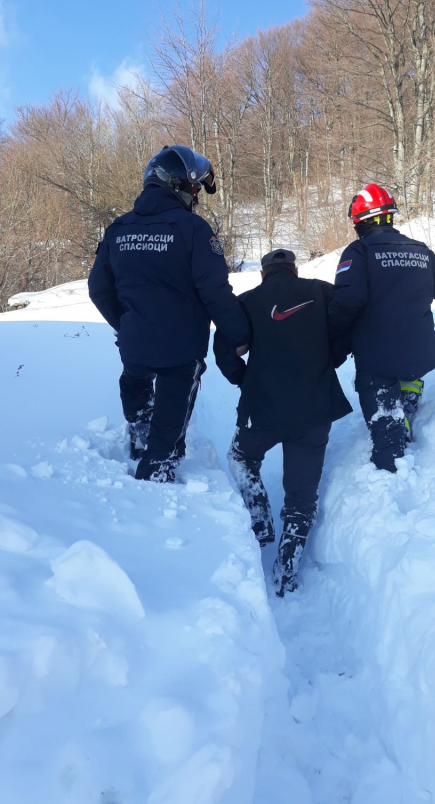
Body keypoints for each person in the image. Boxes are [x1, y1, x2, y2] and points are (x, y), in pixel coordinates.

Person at [88, 145, 249, 483]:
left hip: (135, 347)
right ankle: (152, 499)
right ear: (176, 185)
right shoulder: (193, 229)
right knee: (165, 443)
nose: (196, 198)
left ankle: (139, 440)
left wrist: (128, 324)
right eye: (194, 189)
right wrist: (240, 333)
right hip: (181, 353)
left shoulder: (118, 230)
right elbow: (216, 292)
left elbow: (99, 290)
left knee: (137, 395)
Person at [215, 249, 352, 596]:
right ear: (293, 270)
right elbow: (346, 327)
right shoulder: (322, 292)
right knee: (302, 495)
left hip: (262, 409)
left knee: (241, 457)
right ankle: (287, 568)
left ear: (263, 273)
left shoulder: (247, 302)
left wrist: (243, 378)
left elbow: (223, 350)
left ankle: (259, 516)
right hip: (315, 409)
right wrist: (328, 360)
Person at [329, 183, 435, 473]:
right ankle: (407, 391)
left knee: (388, 446)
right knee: (405, 373)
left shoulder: (358, 252)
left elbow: (347, 302)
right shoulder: (420, 251)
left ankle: (391, 471)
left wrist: (332, 345)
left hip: (378, 361)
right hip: (421, 355)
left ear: (359, 221)